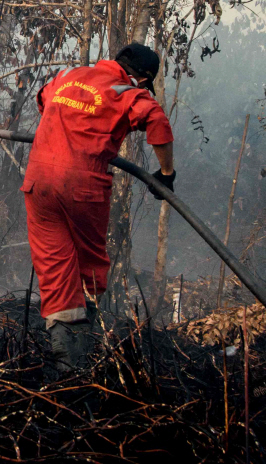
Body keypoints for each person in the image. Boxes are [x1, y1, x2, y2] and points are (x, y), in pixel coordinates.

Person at [22, 42, 176, 370]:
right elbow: (158, 122)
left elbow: (42, 99)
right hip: (83, 187)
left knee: (53, 263)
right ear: (145, 79)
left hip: (38, 183)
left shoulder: (68, 75)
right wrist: (166, 175)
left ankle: (63, 351)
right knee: (90, 263)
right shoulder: (126, 91)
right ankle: (82, 340)